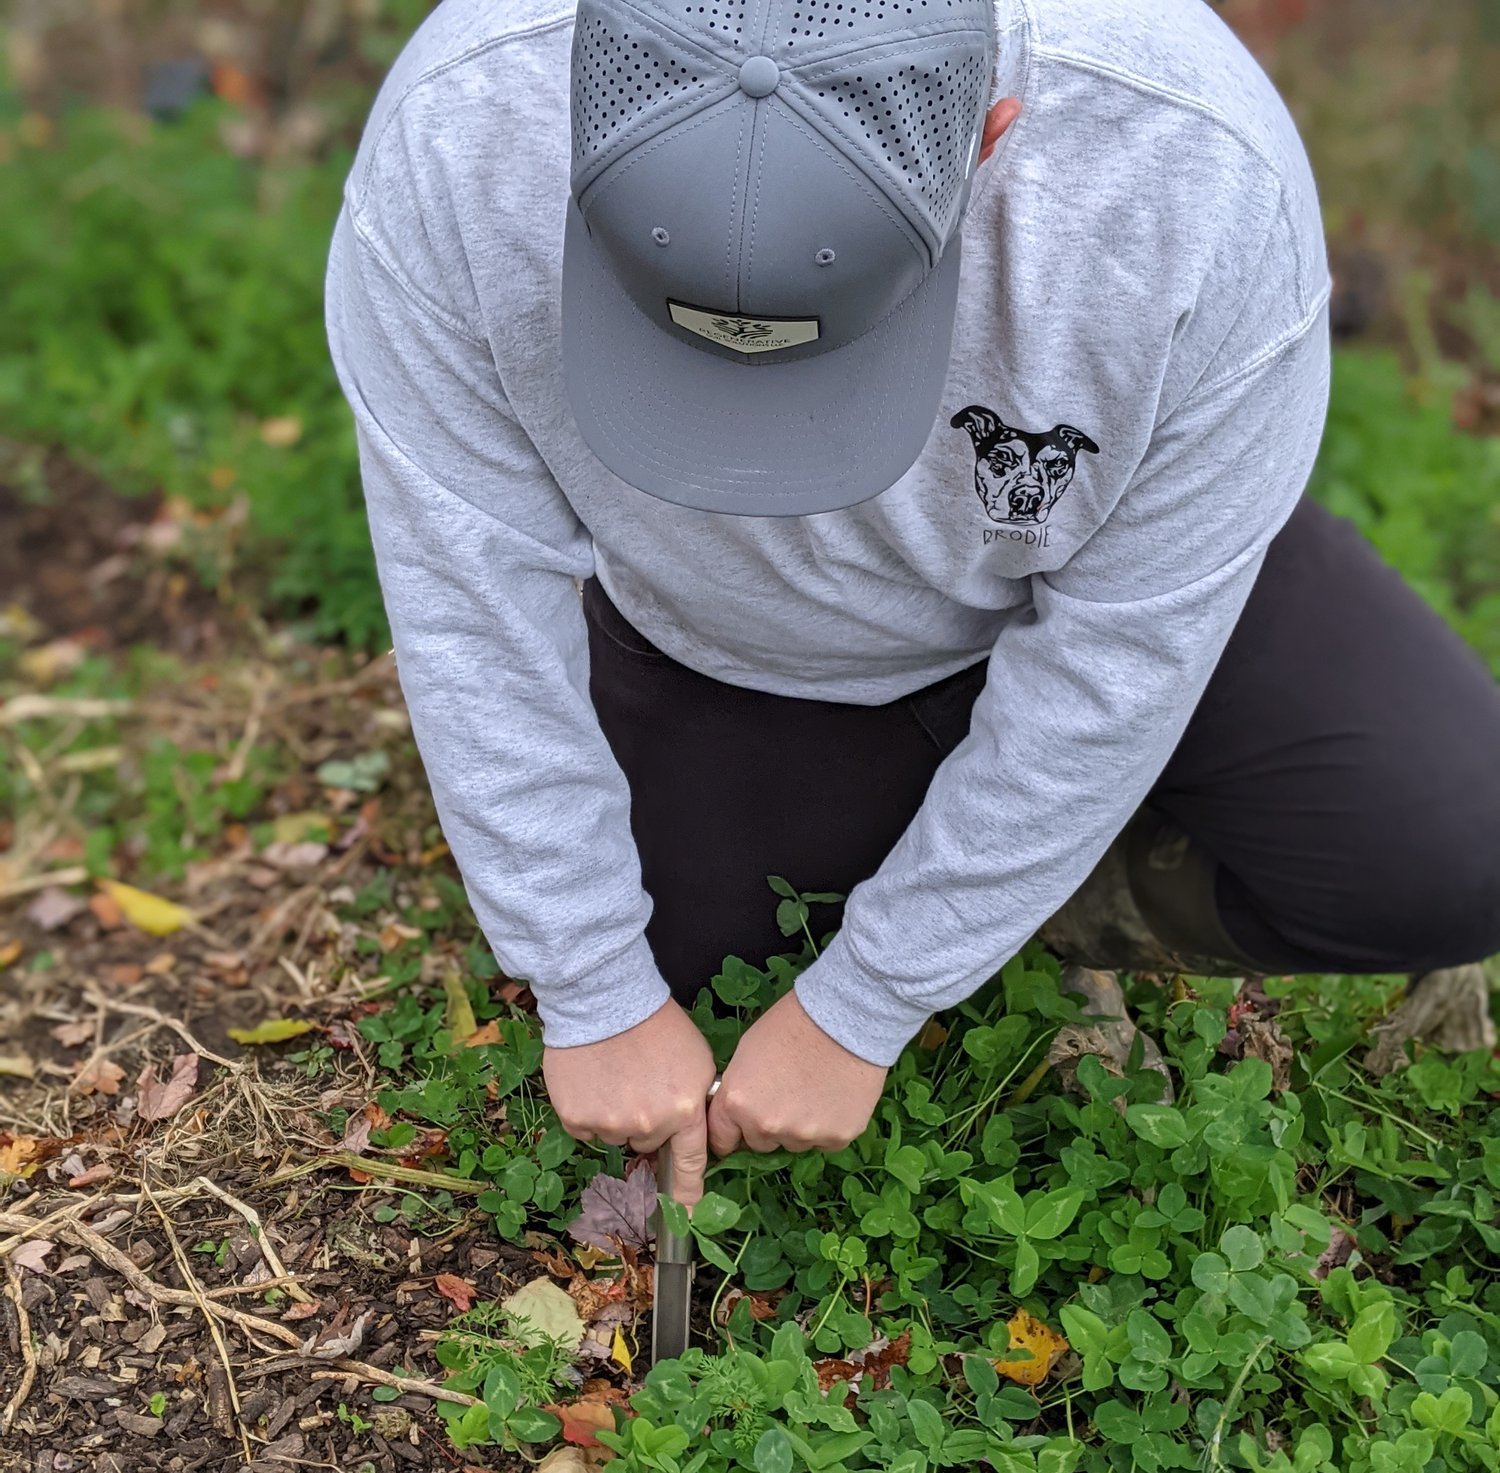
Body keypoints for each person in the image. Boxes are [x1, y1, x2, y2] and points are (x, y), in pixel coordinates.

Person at [327, 0, 1500, 1210]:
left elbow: (1126, 650)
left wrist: (869, 998)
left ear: (995, 131)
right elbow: (474, 597)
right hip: (739, 643)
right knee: (697, 975)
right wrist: (588, 982)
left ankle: (1051, 907)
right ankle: (970, 874)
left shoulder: (1189, 167)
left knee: (1454, 849)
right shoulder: (460, 130)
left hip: (1098, 563)